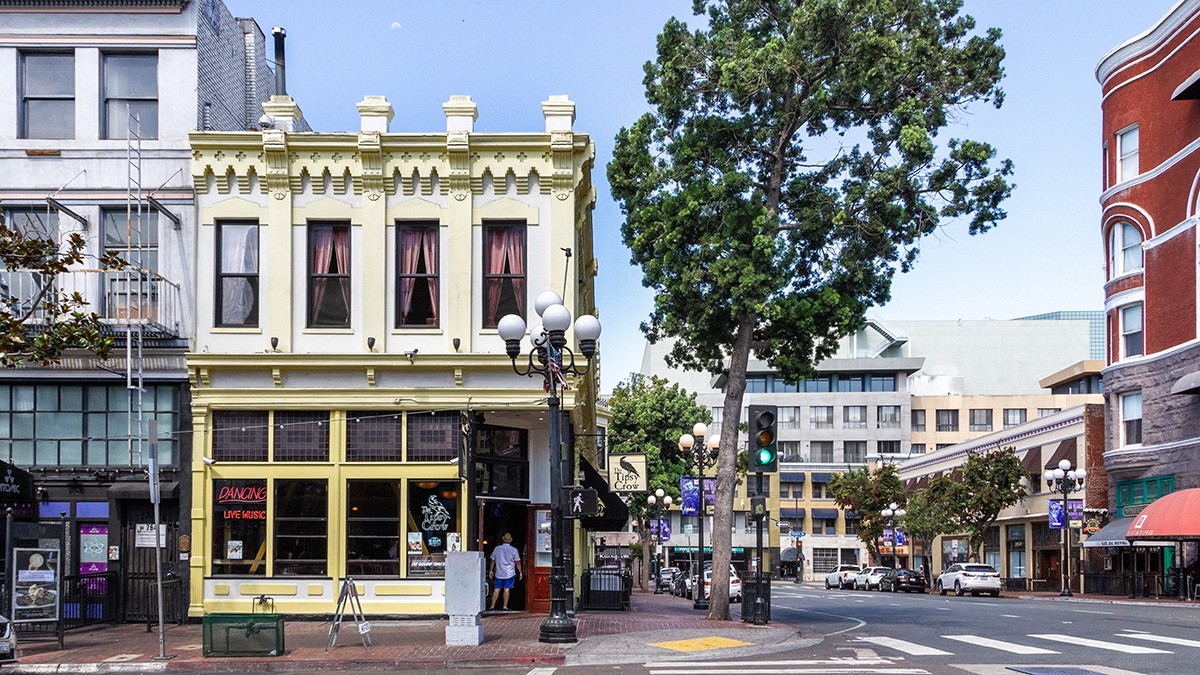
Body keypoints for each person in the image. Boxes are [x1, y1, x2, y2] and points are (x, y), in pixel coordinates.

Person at [488, 533, 522, 611]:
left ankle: (492, 606)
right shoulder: (514, 550)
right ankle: (505, 606)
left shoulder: (497, 549)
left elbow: (493, 560)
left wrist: (491, 570)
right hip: (509, 573)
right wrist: (520, 571)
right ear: (510, 541)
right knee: (507, 589)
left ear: (503, 540)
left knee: (497, 589)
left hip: (499, 572)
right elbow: (517, 562)